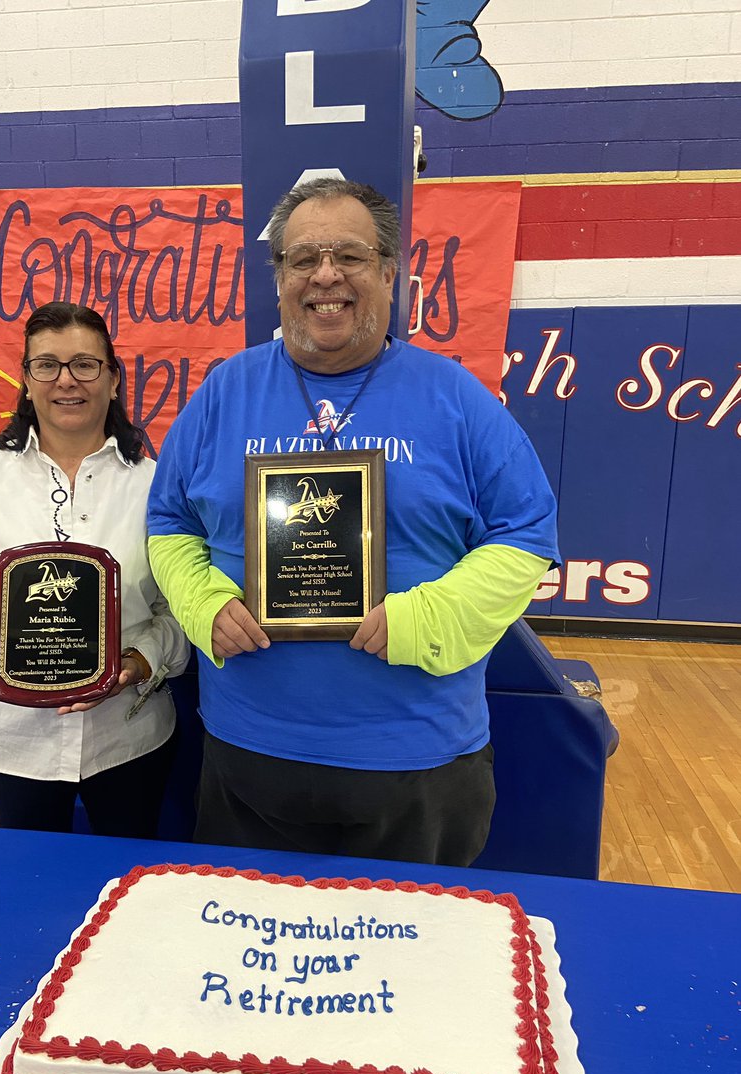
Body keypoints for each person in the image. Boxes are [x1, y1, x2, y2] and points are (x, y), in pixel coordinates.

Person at [147, 177, 559, 866]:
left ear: (390, 273)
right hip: (249, 753)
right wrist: (201, 602)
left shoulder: (456, 396)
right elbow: (168, 520)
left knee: (409, 961)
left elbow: (527, 534)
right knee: (253, 956)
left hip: (418, 760)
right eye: (303, 258)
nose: (326, 275)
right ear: (278, 278)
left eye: (350, 256)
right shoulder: (225, 390)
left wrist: (429, 617)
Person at [0, 301, 189, 836]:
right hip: (10, 739)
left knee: (127, 881)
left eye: (85, 364)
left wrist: (143, 660)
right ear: (27, 381)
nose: (67, 381)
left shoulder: (157, 487)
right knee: (27, 888)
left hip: (127, 734)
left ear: (113, 379)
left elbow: (179, 608)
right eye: (47, 365)